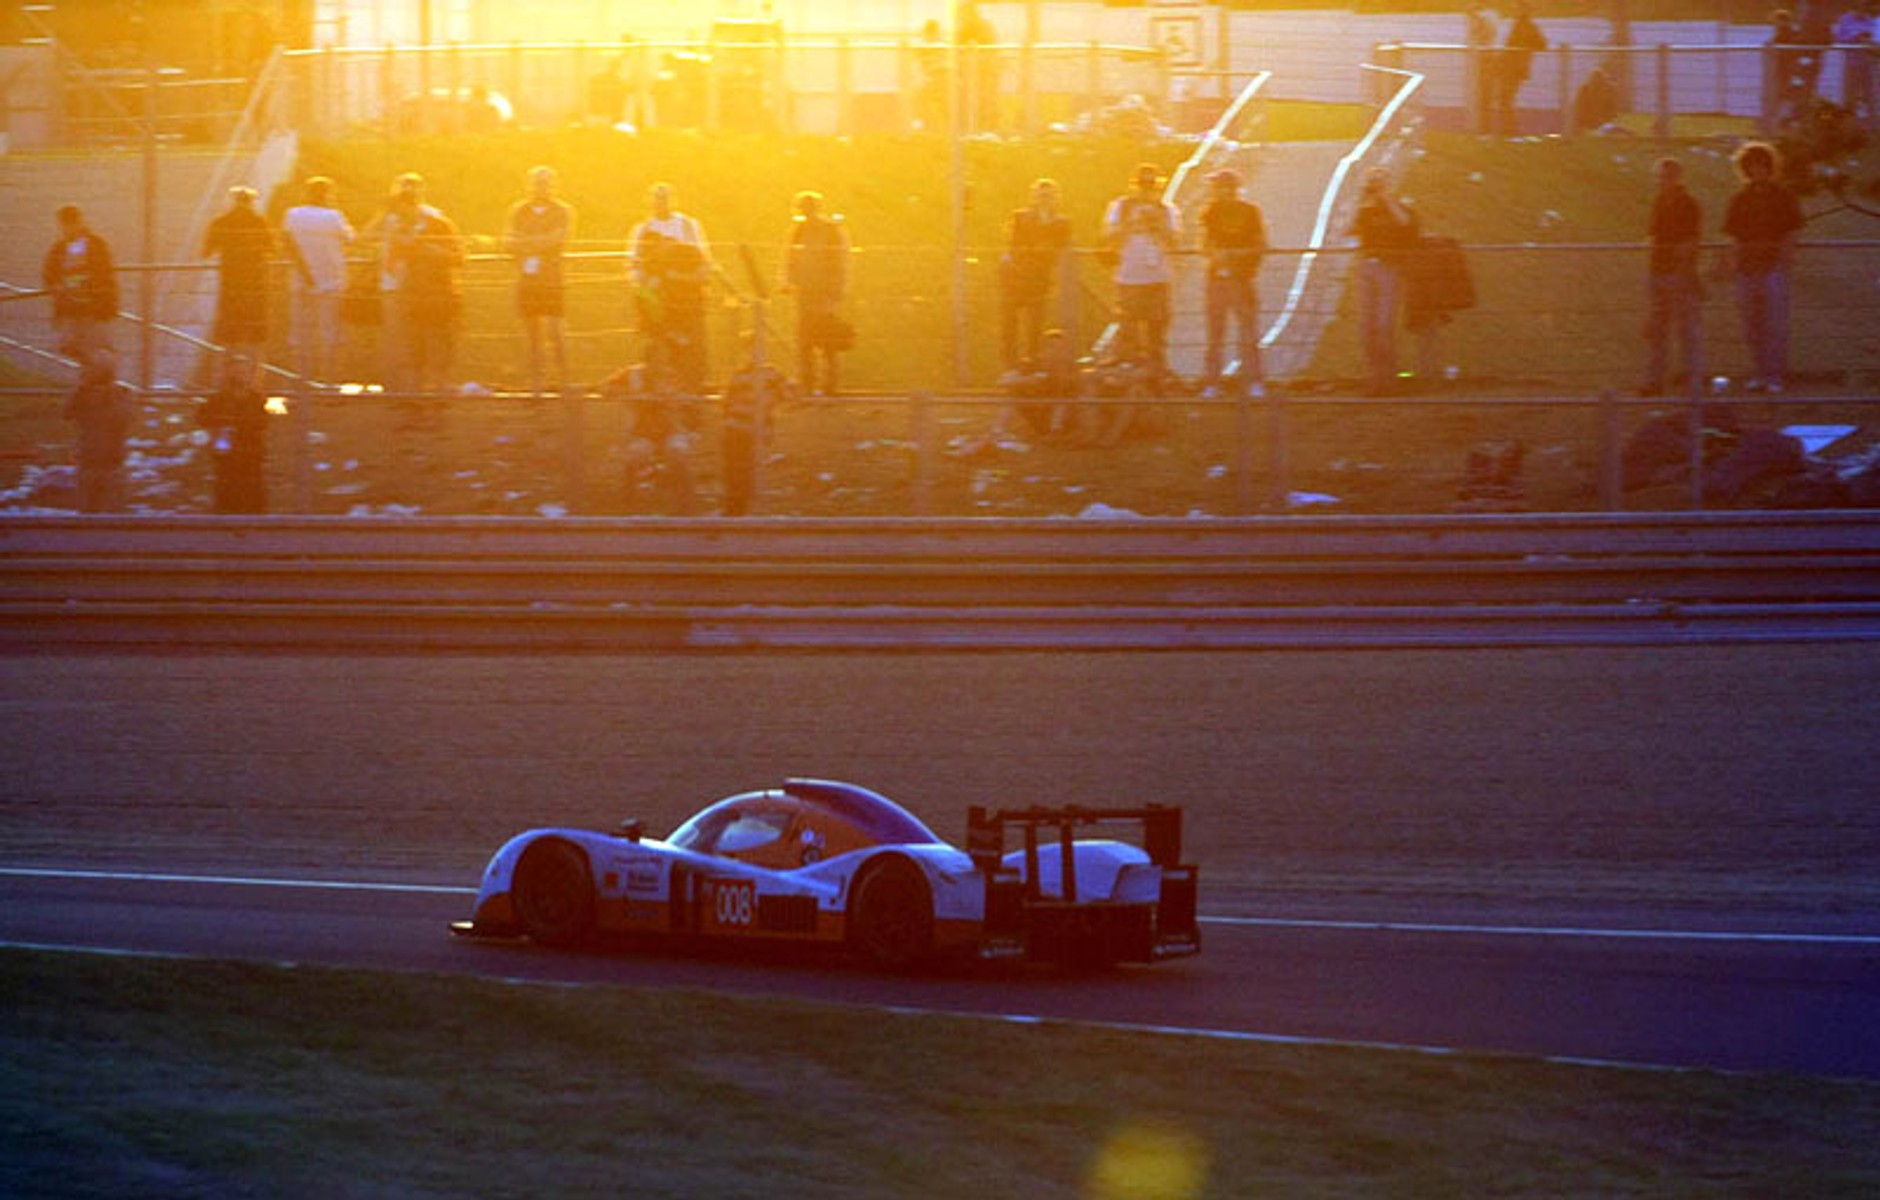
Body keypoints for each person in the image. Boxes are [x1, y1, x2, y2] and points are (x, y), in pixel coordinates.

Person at [1722, 140, 1804, 393]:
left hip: (1773, 267)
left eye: (1762, 165)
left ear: (1769, 167)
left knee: (1775, 324)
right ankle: (1759, 373)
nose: (1758, 170)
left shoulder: (1783, 196)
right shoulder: (1740, 199)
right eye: (1753, 166)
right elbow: (1732, 233)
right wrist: (1733, 261)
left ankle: (1775, 375)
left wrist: (1786, 258)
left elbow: (1792, 230)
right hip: (1746, 268)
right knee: (1751, 325)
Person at [1101, 163, 1179, 396]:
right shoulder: (1120, 207)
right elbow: (1108, 237)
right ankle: (1133, 385)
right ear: (1134, 185)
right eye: (1143, 185)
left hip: (1158, 278)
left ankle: (1157, 384)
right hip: (1128, 278)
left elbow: (1175, 242)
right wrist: (1130, 224)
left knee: (1157, 334)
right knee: (1129, 334)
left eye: (1152, 185)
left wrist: (1156, 224)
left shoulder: (1167, 210)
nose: (1147, 190)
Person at [382, 176, 465, 394]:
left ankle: (441, 388)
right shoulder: (399, 231)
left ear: (414, 206)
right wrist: (401, 247)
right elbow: (389, 265)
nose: (402, 217)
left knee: (441, 343)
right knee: (415, 345)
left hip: (441, 292)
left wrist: (435, 253)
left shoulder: (441, 225)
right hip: (413, 294)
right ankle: (418, 393)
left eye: (404, 211)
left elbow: (460, 257)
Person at [629, 182, 713, 393]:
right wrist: (647, 296)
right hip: (659, 305)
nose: (661, 202)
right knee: (660, 352)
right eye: (656, 197)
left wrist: (678, 277)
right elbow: (635, 269)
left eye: (665, 197)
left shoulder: (688, 225)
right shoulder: (642, 230)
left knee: (691, 354)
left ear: (673, 200)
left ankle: (692, 396)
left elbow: (703, 262)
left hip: (687, 302)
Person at [503, 165, 575, 396]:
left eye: (546, 182)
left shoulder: (563, 210)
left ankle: (565, 380)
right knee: (532, 334)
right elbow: (508, 242)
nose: (541, 187)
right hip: (528, 278)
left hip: (552, 278)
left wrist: (528, 242)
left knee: (556, 330)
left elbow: (560, 238)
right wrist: (540, 242)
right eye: (537, 182)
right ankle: (537, 383)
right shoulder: (518, 211)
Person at [1348, 168, 1420, 395]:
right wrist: (1362, 200)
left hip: (1390, 268)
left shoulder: (1400, 208)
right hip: (1366, 267)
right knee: (1366, 328)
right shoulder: (1366, 212)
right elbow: (1348, 230)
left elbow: (1406, 223)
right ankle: (1375, 378)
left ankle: (1390, 378)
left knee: (1384, 326)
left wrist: (1385, 198)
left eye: (1381, 182)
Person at [1198, 168, 1268, 398]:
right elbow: (1205, 244)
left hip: (1242, 277)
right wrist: (1214, 253)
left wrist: (1236, 254)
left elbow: (1260, 245)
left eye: (1220, 187)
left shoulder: (1250, 212)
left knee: (1248, 332)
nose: (1216, 191)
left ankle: (1254, 381)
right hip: (1217, 276)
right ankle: (1212, 382)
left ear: (1230, 188)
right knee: (1215, 333)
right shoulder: (1210, 211)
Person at [281, 175, 354, 385]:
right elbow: (350, 238)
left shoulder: (292, 214)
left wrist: (304, 271)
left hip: (301, 282)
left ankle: (300, 383)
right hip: (331, 281)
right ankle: (330, 383)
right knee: (331, 333)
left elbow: (286, 242)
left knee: (300, 333)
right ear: (328, 195)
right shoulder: (334, 216)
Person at [1641, 156, 1703, 398]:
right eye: (1659, 177)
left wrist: (1682, 270)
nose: (1661, 181)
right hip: (1659, 271)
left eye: (1666, 176)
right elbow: (1654, 237)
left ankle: (1691, 381)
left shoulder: (1688, 205)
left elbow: (1691, 241)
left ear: (1677, 178)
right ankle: (1655, 381)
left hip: (1678, 274)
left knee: (1686, 331)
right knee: (1657, 332)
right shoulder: (1660, 203)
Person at [202, 185, 275, 391]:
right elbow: (271, 249)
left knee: (229, 336)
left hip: (230, 286)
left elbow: (206, 251)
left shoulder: (220, 223)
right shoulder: (259, 222)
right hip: (255, 286)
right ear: (251, 201)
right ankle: (253, 384)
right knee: (255, 337)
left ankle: (225, 381)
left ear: (233, 201)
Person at [781, 190, 851, 397]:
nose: (806, 213)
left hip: (824, 292)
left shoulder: (832, 230)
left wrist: (838, 289)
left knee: (827, 340)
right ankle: (807, 383)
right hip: (803, 292)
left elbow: (840, 261)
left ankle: (830, 385)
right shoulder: (797, 231)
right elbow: (789, 258)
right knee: (804, 340)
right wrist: (787, 282)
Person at [999, 177, 1071, 371]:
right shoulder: (1020, 217)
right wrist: (1032, 250)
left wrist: (1039, 248)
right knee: (1010, 322)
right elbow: (1013, 242)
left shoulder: (1061, 222)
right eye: (1041, 195)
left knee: (1035, 323)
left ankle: (1033, 359)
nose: (1044, 200)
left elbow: (1058, 245)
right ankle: (1011, 362)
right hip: (1016, 276)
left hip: (1040, 279)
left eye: (1049, 196)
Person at [42, 204, 118, 361]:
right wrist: (55, 285)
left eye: (71, 224)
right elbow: (49, 272)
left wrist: (103, 301)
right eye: (65, 225)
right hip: (73, 309)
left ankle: (93, 379)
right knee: (73, 346)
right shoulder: (60, 248)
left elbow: (104, 274)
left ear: (79, 222)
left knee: (96, 350)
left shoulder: (95, 245)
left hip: (93, 308)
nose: (67, 229)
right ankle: (91, 375)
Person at [63, 348, 132, 513]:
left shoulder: (122, 393)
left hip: (112, 460)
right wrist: (81, 392)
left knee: (113, 510)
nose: (87, 372)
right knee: (86, 509)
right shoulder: (82, 393)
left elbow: (125, 418)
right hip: (88, 457)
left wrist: (110, 396)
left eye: (93, 368)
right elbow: (66, 413)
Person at [1493, 3, 1547, 134]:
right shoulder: (1520, 25)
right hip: (1512, 67)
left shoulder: (1526, 26)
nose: (1516, 10)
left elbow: (1542, 44)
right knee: (1505, 98)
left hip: (1514, 69)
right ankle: (1507, 130)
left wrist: (1524, 50)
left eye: (1519, 7)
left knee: (1505, 98)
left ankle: (1509, 131)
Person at [1835, 0, 1876, 121]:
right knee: (1849, 96)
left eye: (1865, 6)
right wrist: (1855, 37)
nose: (1863, 8)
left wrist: (1869, 40)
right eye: (1861, 5)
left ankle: (1873, 126)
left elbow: (1873, 37)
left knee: (1869, 96)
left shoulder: (1870, 20)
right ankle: (1847, 123)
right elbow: (1839, 38)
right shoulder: (1845, 19)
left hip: (1867, 64)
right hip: (1852, 64)